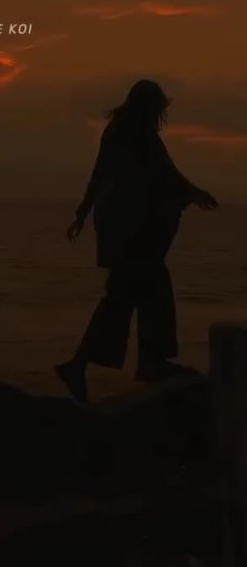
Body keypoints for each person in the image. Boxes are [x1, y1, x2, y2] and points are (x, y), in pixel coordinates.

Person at [56, 80, 218, 403]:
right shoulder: (136, 135)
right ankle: (144, 363)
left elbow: (99, 175)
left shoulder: (118, 132)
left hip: (121, 233)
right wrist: (194, 193)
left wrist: (82, 214)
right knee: (142, 292)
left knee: (126, 297)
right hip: (133, 234)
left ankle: (114, 363)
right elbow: (164, 175)